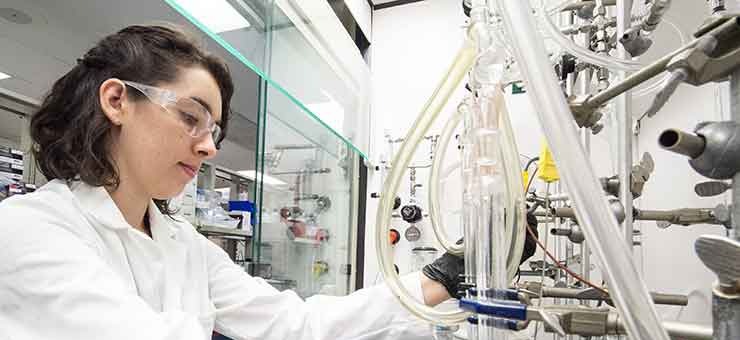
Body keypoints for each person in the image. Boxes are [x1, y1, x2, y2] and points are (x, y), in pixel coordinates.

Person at [0, 24, 537, 340]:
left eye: (214, 130)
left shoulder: (181, 243)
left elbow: (294, 324)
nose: (208, 146)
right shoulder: (30, 229)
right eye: (190, 117)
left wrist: (443, 275)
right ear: (117, 100)